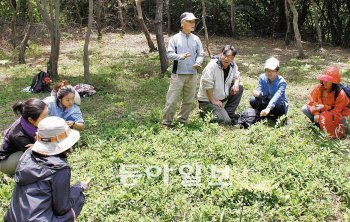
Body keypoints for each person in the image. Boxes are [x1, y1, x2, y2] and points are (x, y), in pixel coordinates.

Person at [4, 116, 90, 222]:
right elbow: (62, 209)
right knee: (75, 202)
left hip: (12, 218)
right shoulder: (59, 168)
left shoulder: (27, 154)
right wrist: (79, 188)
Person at [161, 12, 204, 128]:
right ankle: (166, 122)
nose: (193, 24)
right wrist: (180, 56)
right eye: (189, 21)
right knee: (172, 99)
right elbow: (169, 54)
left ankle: (182, 122)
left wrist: (198, 62)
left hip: (192, 74)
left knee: (189, 100)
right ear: (182, 23)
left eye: (193, 21)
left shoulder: (196, 39)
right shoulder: (174, 39)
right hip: (178, 74)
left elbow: (200, 54)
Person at [0, 99, 48, 176]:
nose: (46, 119)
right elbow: (38, 154)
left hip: (20, 150)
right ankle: (15, 172)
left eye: (46, 115)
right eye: (43, 117)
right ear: (31, 120)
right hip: (6, 162)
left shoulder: (29, 121)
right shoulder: (19, 136)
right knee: (35, 158)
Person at [197, 45, 244, 125]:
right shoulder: (212, 66)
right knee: (226, 121)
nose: (226, 59)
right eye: (225, 56)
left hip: (220, 97)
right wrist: (213, 100)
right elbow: (207, 85)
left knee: (239, 87)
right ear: (221, 54)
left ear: (233, 58)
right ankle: (205, 112)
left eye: (230, 57)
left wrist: (236, 83)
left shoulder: (233, 65)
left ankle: (229, 113)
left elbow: (237, 76)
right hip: (207, 100)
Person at [302, 66, 350, 138]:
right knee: (305, 109)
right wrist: (316, 113)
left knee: (342, 120)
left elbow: (337, 111)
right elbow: (312, 102)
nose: (324, 82)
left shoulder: (340, 94)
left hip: (336, 115)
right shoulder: (318, 88)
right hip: (321, 112)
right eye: (324, 79)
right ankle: (318, 125)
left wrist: (324, 109)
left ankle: (329, 128)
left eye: (327, 81)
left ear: (333, 82)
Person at [250, 57, 288, 122]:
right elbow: (260, 90)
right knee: (253, 100)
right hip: (266, 101)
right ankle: (264, 114)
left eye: (272, 71)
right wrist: (258, 94)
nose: (269, 73)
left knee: (279, 103)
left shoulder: (282, 82)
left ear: (277, 71)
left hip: (277, 104)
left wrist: (268, 108)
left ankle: (279, 117)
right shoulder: (262, 77)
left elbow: (276, 97)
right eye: (267, 70)